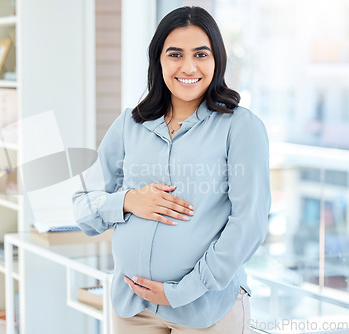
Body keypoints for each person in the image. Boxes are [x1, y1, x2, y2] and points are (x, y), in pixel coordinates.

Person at [72, 6, 270, 334]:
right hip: (133, 309)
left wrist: (181, 291)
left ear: (216, 60)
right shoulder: (129, 124)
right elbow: (83, 205)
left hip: (206, 311)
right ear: (158, 60)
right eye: (175, 54)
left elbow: (248, 226)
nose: (188, 67)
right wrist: (128, 201)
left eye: (201, 54)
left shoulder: (241, 128)